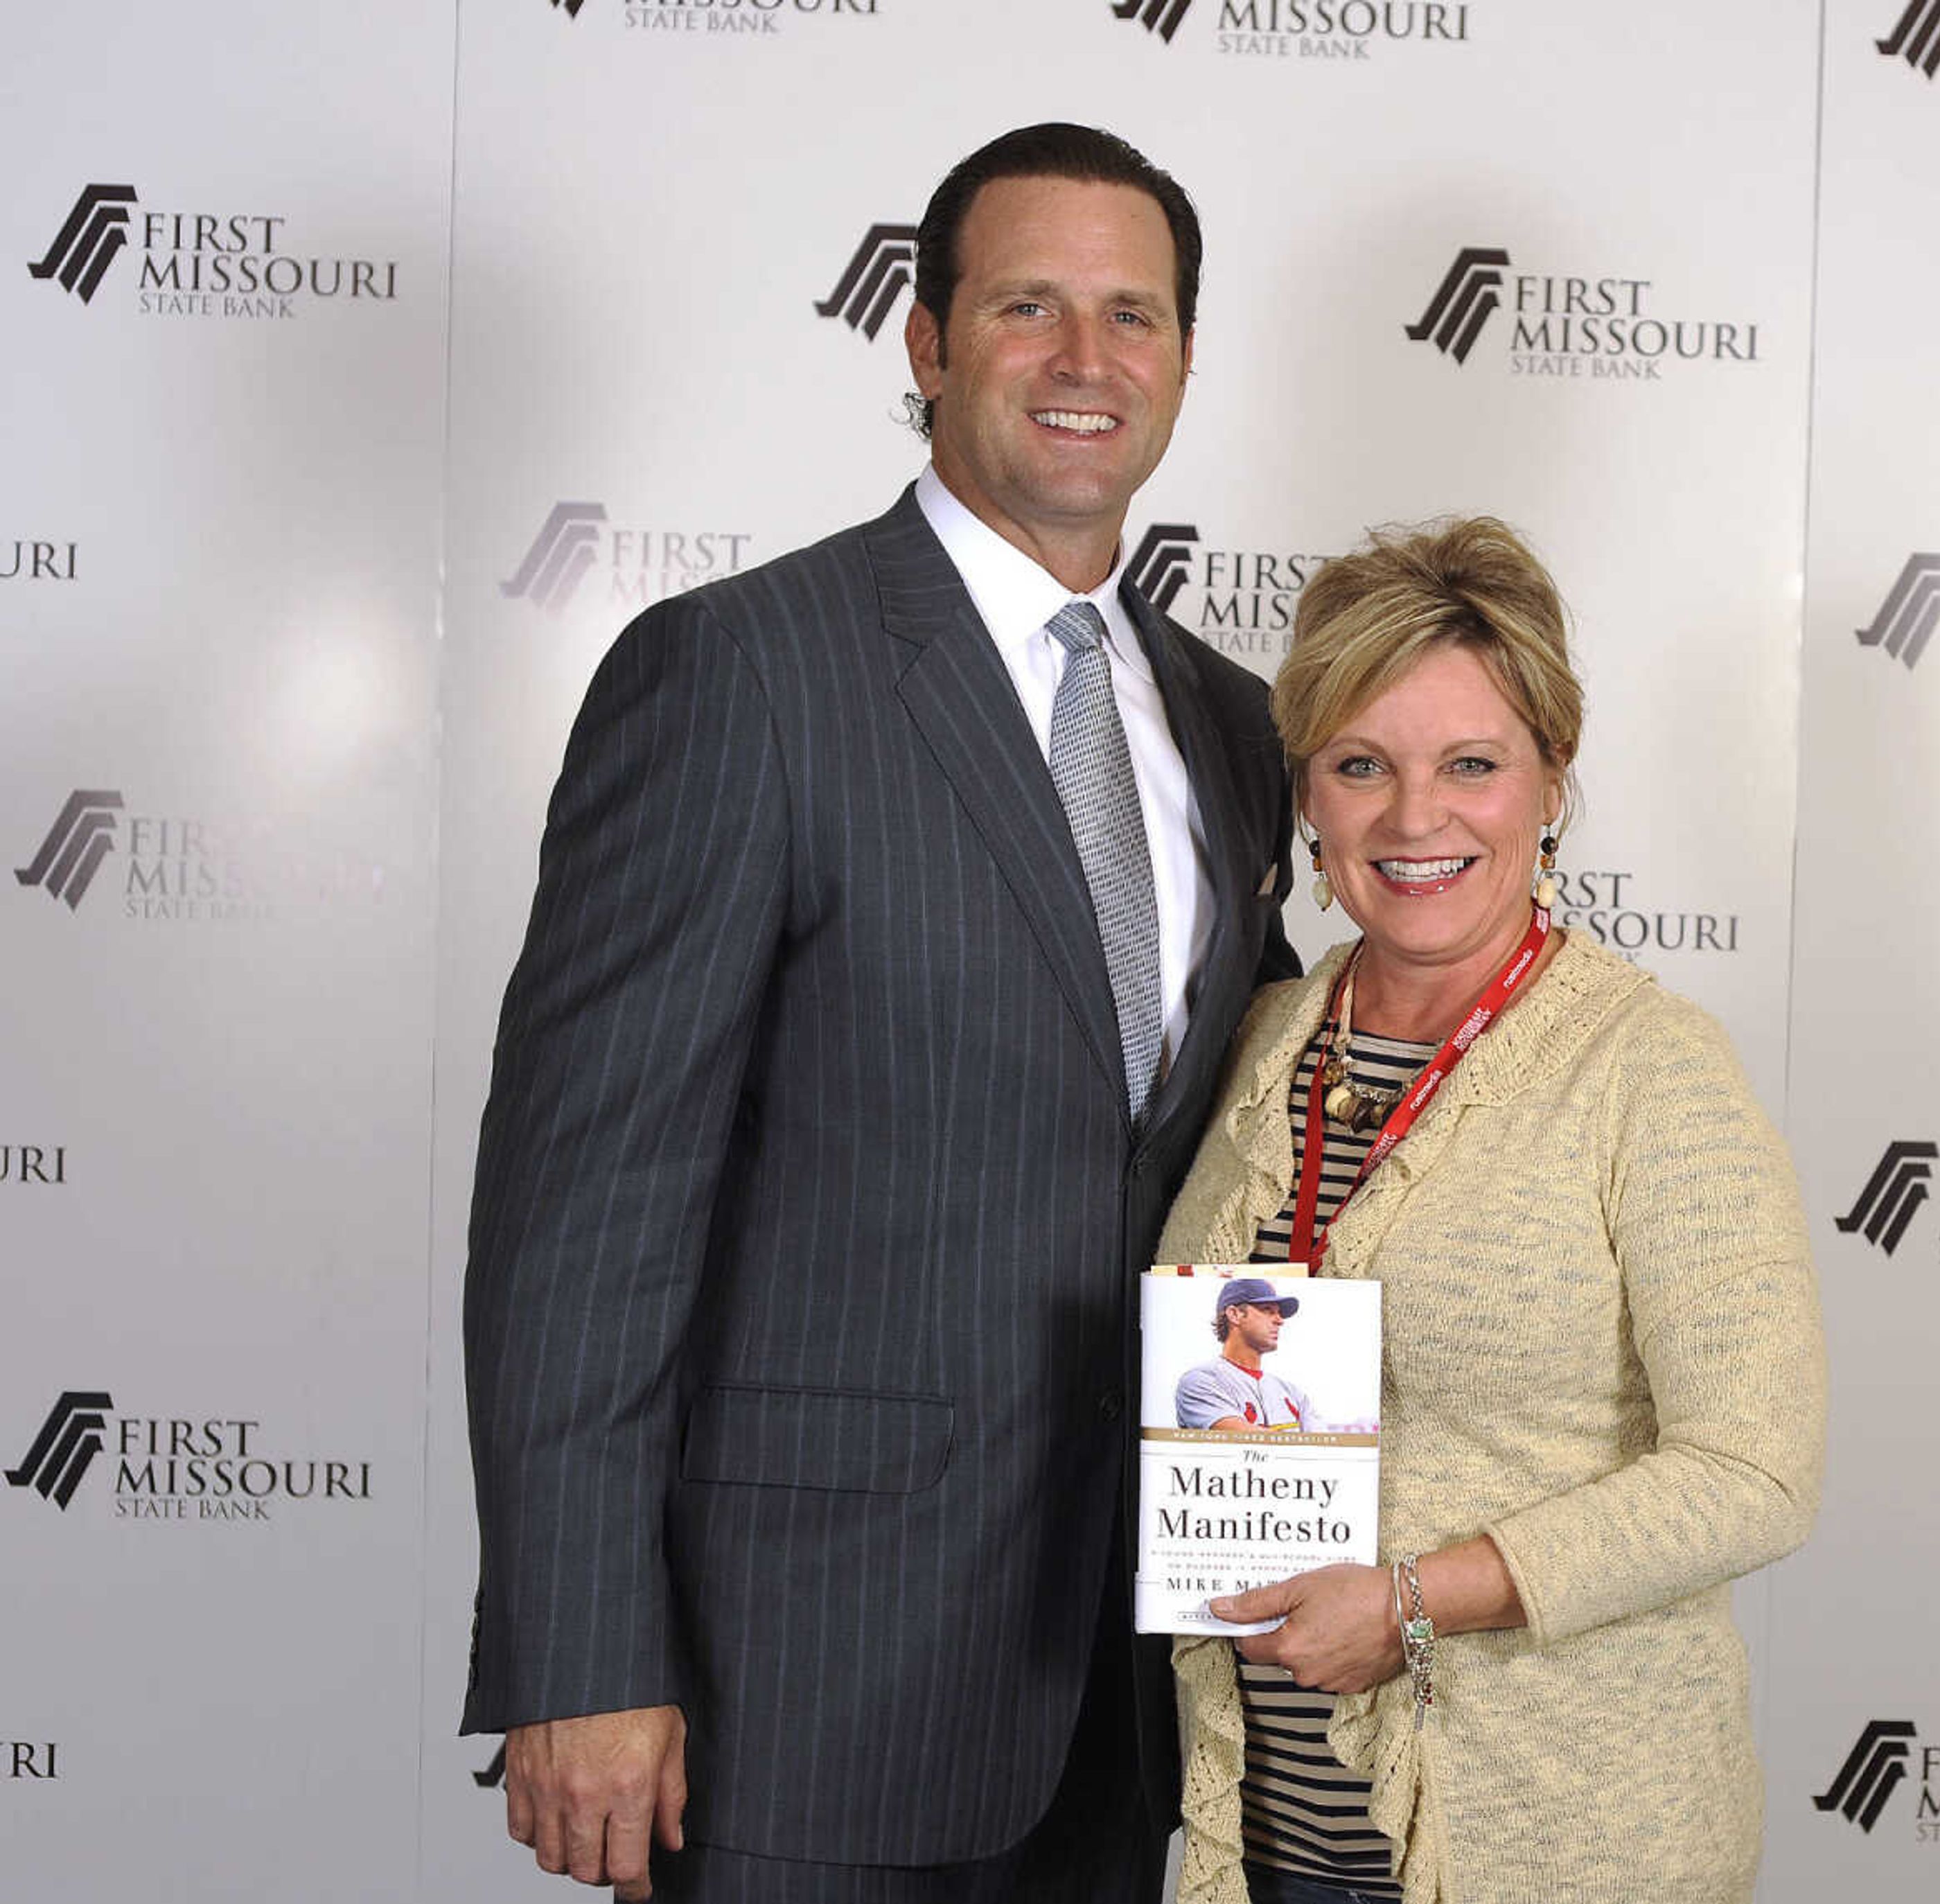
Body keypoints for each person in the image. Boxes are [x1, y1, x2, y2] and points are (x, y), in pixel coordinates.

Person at [459, 123, 1297, 1904]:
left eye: (1133, 317)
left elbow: (1233, 1150)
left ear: (1185, 361)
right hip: (803, 1681)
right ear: (922, 343)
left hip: (1140, 1688)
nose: (1088, 362)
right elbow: (583, 1213)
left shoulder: (1231, 719)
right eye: (1028, 308)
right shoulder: (740, 672)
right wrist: (584, 1651)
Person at [1155, 518, 1826, 1904]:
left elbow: (1756, 1470)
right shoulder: (1259, 1040)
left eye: (1472, 764)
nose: (1415, 818)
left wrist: (1413, 1598)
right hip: (1265, 1832)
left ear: (1550, 787)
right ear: (1310, 799)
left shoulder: (1649, 1068)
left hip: (1557, 1836)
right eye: (1362, 766)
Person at [1175, 1277, 1312, 1431]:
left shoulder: (1292, 1392)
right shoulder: (1200, 1381)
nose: (1280, 1320)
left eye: (1279, 1313)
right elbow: (1245, 1442)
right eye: (1268, 1310)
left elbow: (1325, 1447)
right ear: (1234, 1314)